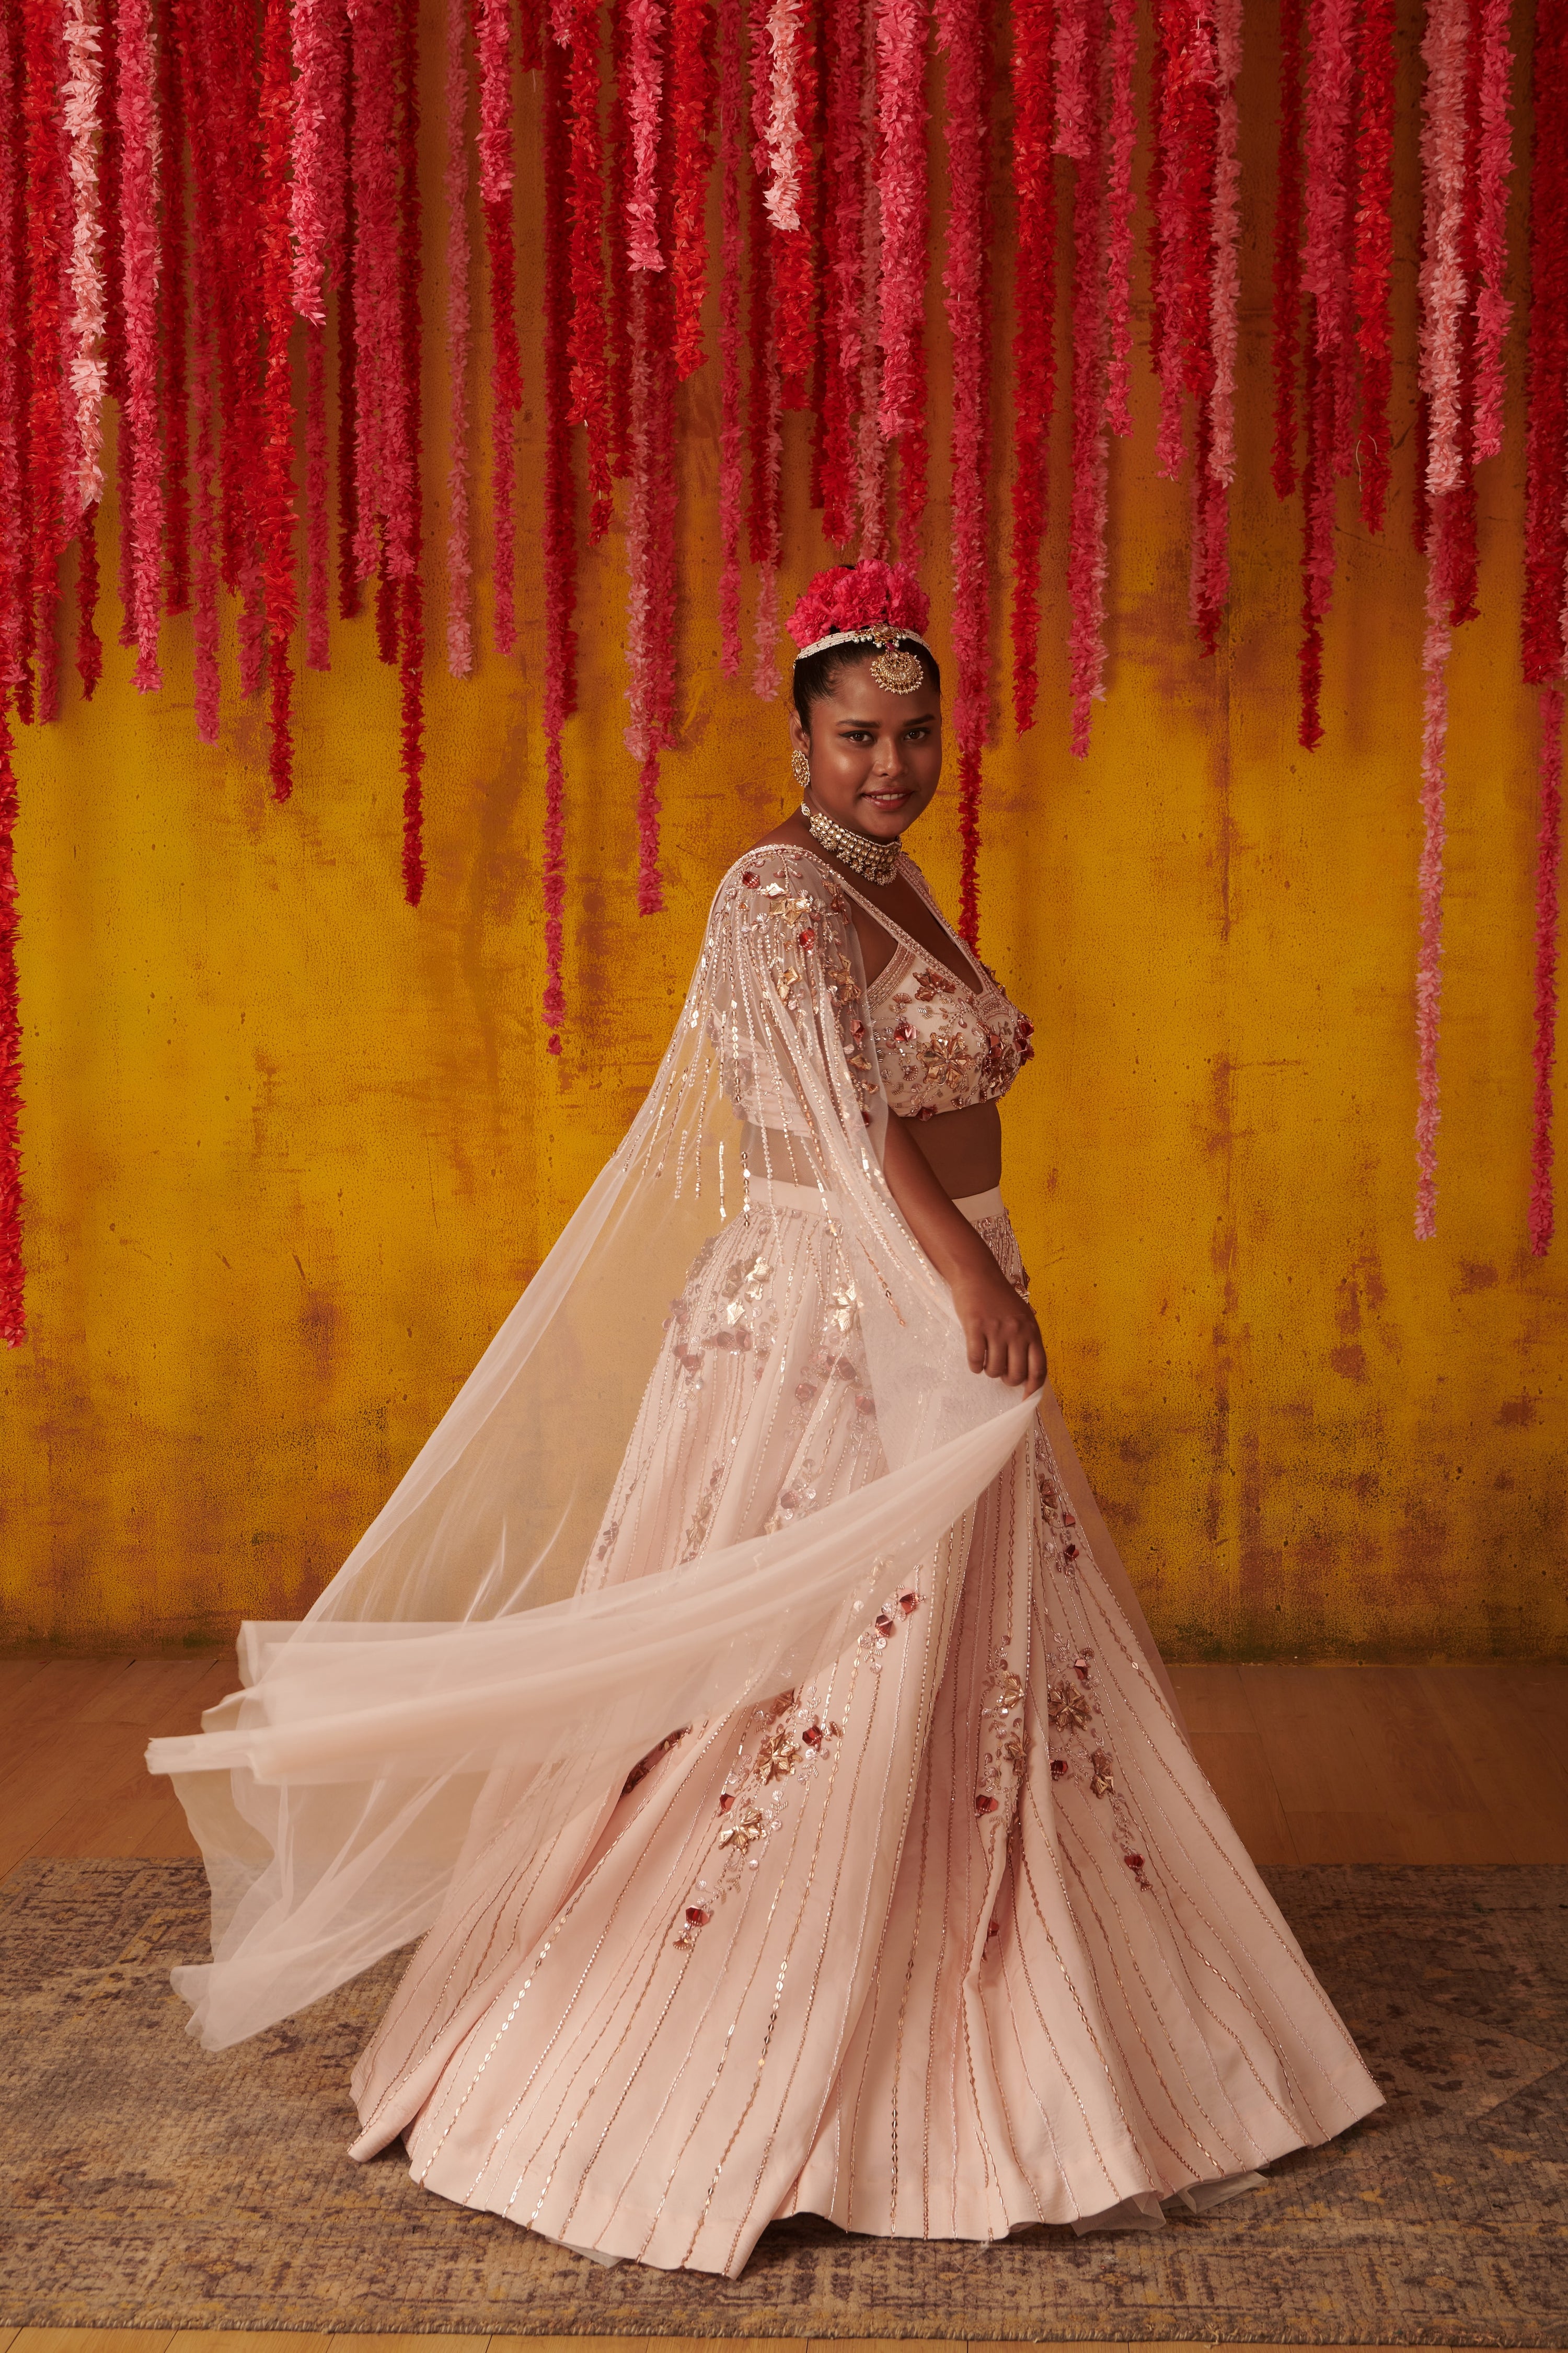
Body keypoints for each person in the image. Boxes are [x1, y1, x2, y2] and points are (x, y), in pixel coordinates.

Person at [149, 559, 1382, 2279]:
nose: (892, 762)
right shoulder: (776, 894)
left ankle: (973, 1986)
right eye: (860, 734)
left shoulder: (893, 884)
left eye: (916, 732)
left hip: (933, 1275)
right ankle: (745, 2034)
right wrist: (965, 1283)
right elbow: (838, 1111)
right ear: (798, 733)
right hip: (842, 1299)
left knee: (976, 1657)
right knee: (821, 1667)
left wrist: (979, 1271)